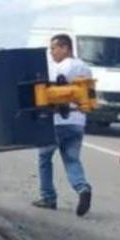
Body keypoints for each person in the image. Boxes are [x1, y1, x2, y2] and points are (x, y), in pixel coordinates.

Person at [34, 34, 94, 216]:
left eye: (53, 48)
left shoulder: (60, 68)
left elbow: (46, 91)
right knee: (71, 159)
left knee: (44, 158)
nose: (51, 53)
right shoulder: (85, 68)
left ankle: (48, 197)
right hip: (78, 122)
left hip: (58, 121)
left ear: (65, 48)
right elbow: (90, 94)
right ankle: (82, 188)